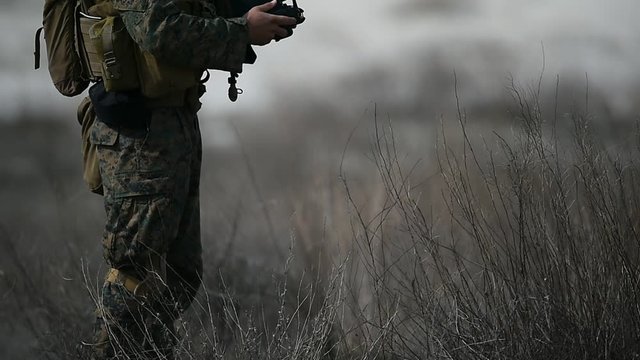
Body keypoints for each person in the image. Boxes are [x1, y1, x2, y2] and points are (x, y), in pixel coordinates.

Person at [84, 0, 298, 358]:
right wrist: (243, 29)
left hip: (173, 121)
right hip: (140, 132)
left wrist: (251, 16)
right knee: (136, 268)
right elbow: (159, 30)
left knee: (178, 274)